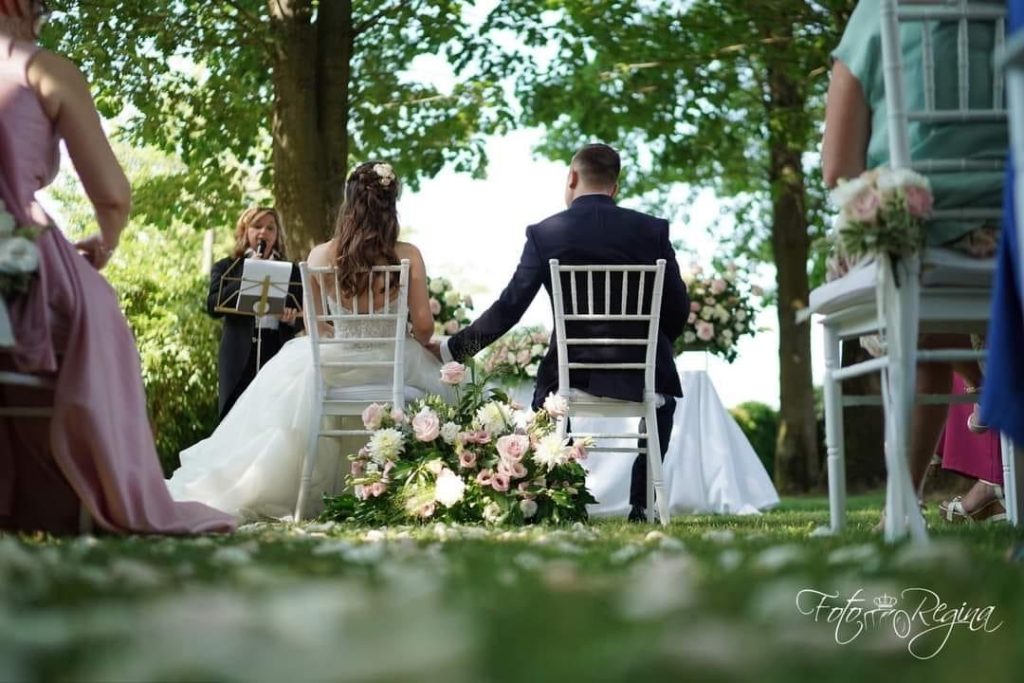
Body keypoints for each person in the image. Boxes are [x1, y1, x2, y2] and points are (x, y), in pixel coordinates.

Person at [0, 0, 234, 534]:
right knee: (99, 315)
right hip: (11, 260)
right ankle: (99, 487)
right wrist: (105, 241)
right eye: (41, 6)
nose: (44, 16)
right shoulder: (41, 67)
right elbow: (112, 194)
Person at [167, 161, 450, 520]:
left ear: (349, 204)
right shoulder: (408, 255)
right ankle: (402, 490)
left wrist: (349, 334)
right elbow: (424, 329)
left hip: (336, 366)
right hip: (393, 365)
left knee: (287, 399)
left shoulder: (320, 255)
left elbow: (320, 329)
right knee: (447, 388)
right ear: (391, 204)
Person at [433, 143, 689, 523]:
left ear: (572, 177)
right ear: (614, 187)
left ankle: (561, 498)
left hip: (572, 372)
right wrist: (650, 346)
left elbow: (510, 307)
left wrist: (453, 349)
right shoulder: (651, 231)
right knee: (663, 396)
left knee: (547, 398)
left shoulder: (545, 233)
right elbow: (678, 308)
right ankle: (641, 505)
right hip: (642, 370)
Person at [821, 0, 1006, 506]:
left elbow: (837, 167)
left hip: (918, 229)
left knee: (904, 287)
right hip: (1012, 230)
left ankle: (901, 505)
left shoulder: (878, 12)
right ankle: (989, 385)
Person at [208, 206, 302, 421]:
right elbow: (212, 305)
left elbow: (300, 313)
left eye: (270, 228)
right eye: (257, 226)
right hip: (239, 352)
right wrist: (247, 274)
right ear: (244, 231)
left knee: (272, 419)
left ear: (277, 235)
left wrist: (290, 320)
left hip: (276, 350)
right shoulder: (227, 267)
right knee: (234, 418)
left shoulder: (291, 270)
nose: (263, 233)